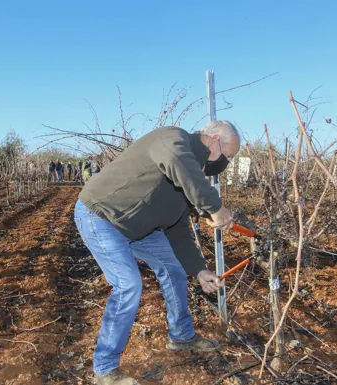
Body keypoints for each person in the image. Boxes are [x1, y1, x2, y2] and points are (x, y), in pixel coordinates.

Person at [74, 121, 240, 384]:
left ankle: (181, 336)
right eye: (228, 155)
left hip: (139, 227)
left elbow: (178, 229)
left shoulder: (191, 172)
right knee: (128, 285)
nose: (226, 162)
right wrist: (215, 207)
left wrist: (199, 270)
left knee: (174, 269)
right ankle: (104, 369)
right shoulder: (173, 138)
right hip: (101, 216)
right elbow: (177, 161)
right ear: (215, 139)